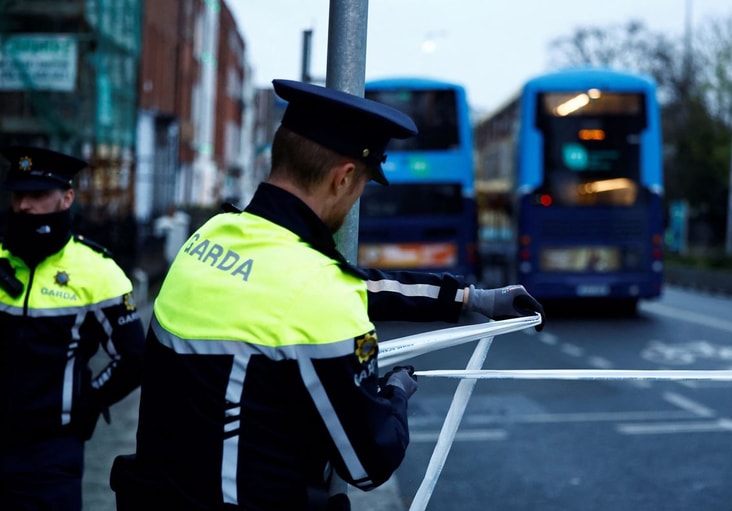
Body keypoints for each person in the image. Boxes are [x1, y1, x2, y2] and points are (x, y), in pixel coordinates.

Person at [110, 79, 544, 511]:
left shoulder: (212, 236)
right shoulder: (316, 292)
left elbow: (340, 283)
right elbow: (369, 463)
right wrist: (394, 392)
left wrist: (470, 299)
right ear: (344, 177)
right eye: (361, 187)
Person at [0, 145, 146, 510]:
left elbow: (134, 358)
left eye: (37, 195)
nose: (24, 206)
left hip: (50, 453)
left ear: (67, 198)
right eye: (18, 196)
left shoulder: (98, 272)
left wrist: (89, 400)